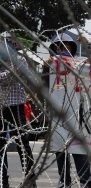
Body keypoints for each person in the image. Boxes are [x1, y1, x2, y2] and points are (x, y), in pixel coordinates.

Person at [47, 32, 91, 188]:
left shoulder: (80, 63)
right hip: (58, 114)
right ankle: (64, 181)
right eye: (57, 46)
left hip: (77, 113)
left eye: (65, 45)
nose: (61, 49)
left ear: (72, 47)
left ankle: (86, 182)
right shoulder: (49, 65)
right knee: (60, 149)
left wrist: (87, 45)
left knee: (79, 150)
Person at [0, 32, 37, 188]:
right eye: (3, 42)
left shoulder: (20, 59)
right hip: (1, 107)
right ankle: (3, 179)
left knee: (23, 143)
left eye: (9, 42)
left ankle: (30, 180)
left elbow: (7, 78)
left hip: (16, 106)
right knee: (1, 146)